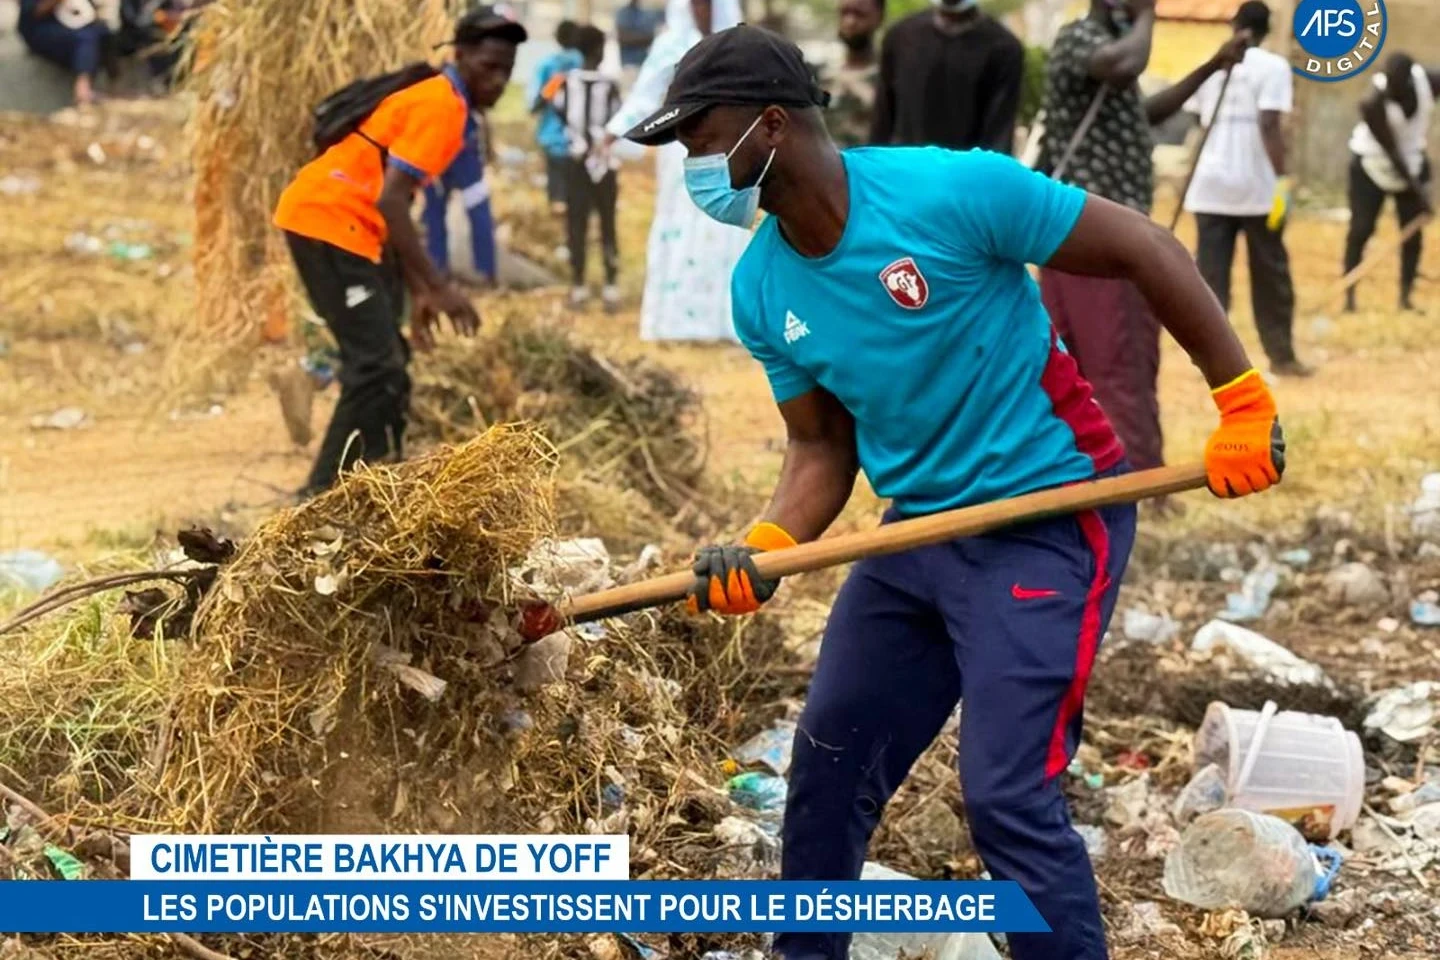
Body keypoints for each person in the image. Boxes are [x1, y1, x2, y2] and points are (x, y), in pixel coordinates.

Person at [625, 24, 1287, 960]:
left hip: (1051, 515)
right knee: (827, 769)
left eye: (699, 140)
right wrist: (767, 545)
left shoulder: (950, 191)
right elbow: (820, 448)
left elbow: (1144, 246)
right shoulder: (761, 288)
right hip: (914, 540)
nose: (692, 166)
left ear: (770, 125)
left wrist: (1241, 400)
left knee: (1007, 794)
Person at [272, 8, 524, 498]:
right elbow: (391, 198)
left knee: (392, 364)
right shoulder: (442, 106)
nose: (497, 80)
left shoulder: (442, 98)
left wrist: (418, 290)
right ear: (460, 56)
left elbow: (398, 202)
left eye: (506, 71)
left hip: (355, 226)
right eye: (488, 66)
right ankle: (319, 497)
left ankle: (380, 483)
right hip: (328, 220)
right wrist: (439, 286)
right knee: (375, 367)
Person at [1036, 0, 1246, 475]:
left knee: (1075, 367)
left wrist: (1211, 67)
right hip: (1105, 241)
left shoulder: (1106, 49)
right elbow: (1125, 65)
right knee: (1121, 362)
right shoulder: (1082, 39)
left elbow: (1140, 113)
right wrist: (1147, 10)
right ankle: (1144, 480)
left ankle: (1087, 476)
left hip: (1074, 237)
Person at [604, 0, 748, 342]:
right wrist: (615, 132)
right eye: (696, 4)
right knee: (681, 226)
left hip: (730, 148)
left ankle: (725, 323)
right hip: (682, 149)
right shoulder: (670, 45)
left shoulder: (738, 46)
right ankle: (675, 322)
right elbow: (645, 95)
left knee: (724, 228)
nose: (702, 11)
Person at [1182, 2, 1309, 377]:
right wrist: (1282, 180)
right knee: (1270, 274)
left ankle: (1212, 363)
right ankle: (1281, 357)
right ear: (1267, 30)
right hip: (1256, 188)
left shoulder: (1211, 63)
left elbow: (1197, 118)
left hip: (1210, 184)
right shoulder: (1273, 67)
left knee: (1210, 279)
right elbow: (1269, 125)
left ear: (1234, 25)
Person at [1345, 52, 1440, 313]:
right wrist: (1420, 193)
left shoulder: (1428, 82)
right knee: (1361, 229)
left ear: (1410, 80)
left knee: (1412, 234)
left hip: (1412, 161)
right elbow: (1392, 152)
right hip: (1371, 164)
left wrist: (1422, 187)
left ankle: (1405, 298)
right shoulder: (1372, 102)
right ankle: (1349, 297)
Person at [870, 0, 1023, 153]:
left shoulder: (1004, 49)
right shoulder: (900, 37)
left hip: (966, 167)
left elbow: (998, 139)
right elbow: (881, 125)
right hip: (904, 164)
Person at [550, 25, 623, 311]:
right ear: (598, 50)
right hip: (604, 163)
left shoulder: (566, 83)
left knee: (576, 224)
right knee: (607, 223)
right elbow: (619, 119)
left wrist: (577, 138)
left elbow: (556, 111)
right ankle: (610, 286)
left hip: (576, 162)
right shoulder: (610, 85)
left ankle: (579, 286)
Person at [420, 107, 498, 286]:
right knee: (475, 208)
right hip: (459, 146)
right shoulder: (462, 95)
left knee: (435, 211)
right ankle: (485, 271)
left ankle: (438, 268)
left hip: (436, 145)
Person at [813, 0, 884, 149]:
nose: (850, 22)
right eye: (844, 13)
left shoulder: (888, 77)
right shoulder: (822, 76)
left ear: (879, 16)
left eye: (860, 14)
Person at [531, 21, 584, 217]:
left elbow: (535, 102)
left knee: (556, 177)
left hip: (552, 133)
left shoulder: (548, 64)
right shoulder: (587, 62)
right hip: (580, 135)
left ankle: (558, 204)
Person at [17, 0, 113, 107]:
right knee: (85, 38)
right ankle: (82, 91)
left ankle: (112, 84)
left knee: (102, 32)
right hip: (41, 30)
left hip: (73, 27)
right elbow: (34, 12)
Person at [615, 0, 662, 87]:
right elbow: (624, 38)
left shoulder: (648, 13)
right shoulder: (624, 13)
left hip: (647, 66)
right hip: (630, 65)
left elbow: (655, 37)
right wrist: (648, 38)